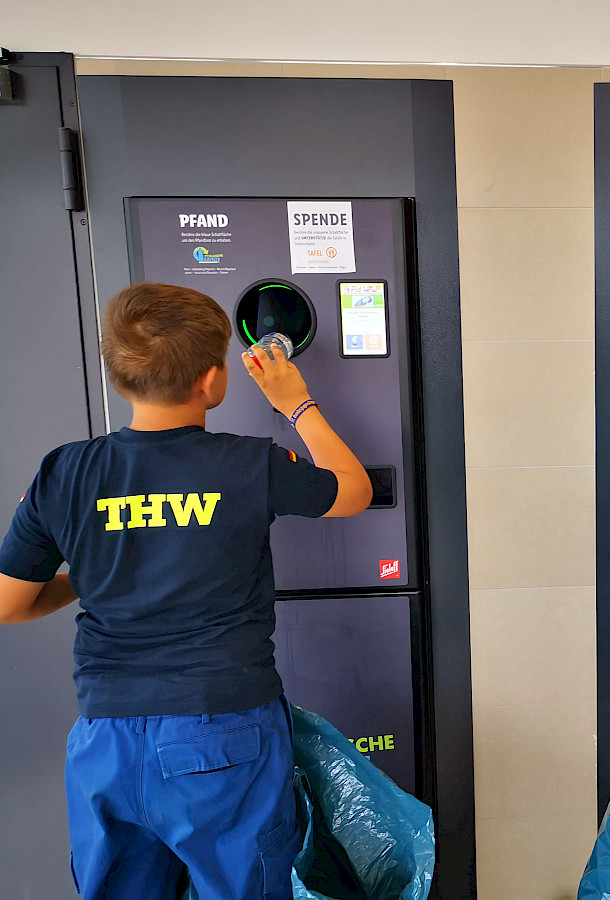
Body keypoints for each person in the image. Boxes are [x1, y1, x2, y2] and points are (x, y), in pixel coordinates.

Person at [0, 283, 373, 900]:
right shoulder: (249, 463)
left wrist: (92, 575)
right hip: (223, 727)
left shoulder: (63, 472)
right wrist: (296, 402)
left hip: (106, 739)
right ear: (212, 380)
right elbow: (352, 490)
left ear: (117, 376)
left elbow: (10, 604)